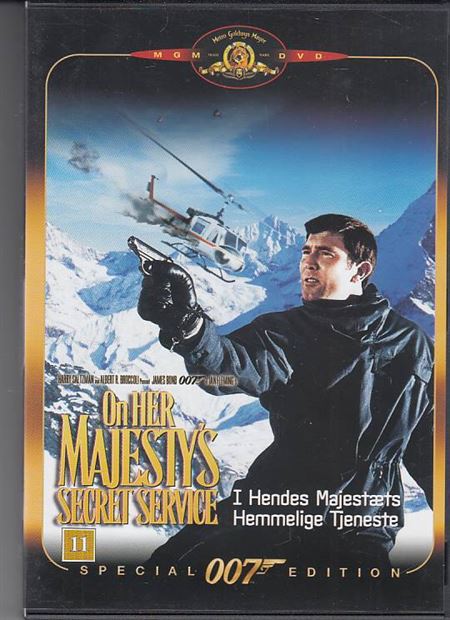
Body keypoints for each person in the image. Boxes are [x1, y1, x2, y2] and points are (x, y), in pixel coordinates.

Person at [137, 214, 433, 569]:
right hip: (269, 508)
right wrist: (188, 327)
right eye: (306, 251)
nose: (308, 261)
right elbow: (229, 365)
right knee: (161, 574)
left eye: (325, 253)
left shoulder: (414, 346)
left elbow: (431, 451)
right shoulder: (285, 331)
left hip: (358, 530)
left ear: (360, 270)